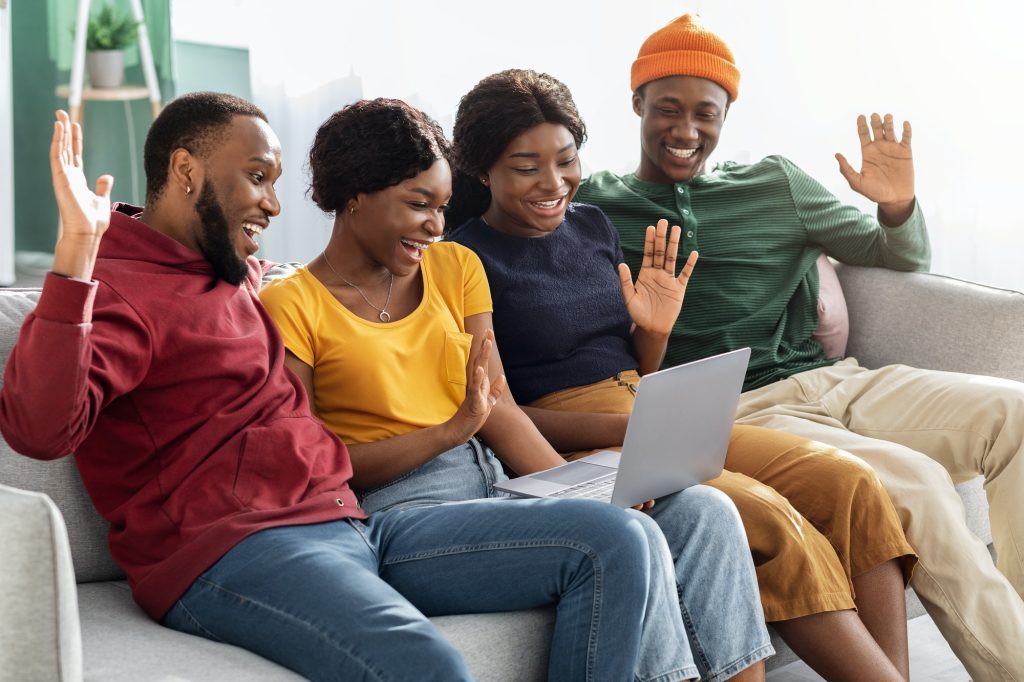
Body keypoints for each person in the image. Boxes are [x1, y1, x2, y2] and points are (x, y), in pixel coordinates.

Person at [0, 93, 693, 682]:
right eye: (257, 177)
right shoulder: (117, 290)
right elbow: (39, 430)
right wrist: (72, 265)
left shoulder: (232, 271)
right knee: (430, 667)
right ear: (186, 171)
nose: (273, 203)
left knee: (617, 541)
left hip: (354, 524)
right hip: (234, 551)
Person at [258, 97, 772, 682]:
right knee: (620, 538)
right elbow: (313, 469)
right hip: (396, 519)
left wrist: (582, 488)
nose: (434, 224)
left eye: (443, 206)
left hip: (499, 491)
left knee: (705, 511)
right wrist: (448, 432)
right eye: (418, 205)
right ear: (354, 195)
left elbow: (496, 404)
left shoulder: (453, 268)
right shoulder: (290, 305)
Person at [575, 14, 1024, 681]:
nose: (686, 129)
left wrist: (897, 207)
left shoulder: (777, 184)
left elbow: (896, 255)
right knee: (920, 487)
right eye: (666, 107)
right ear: (636, 103)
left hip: (838, 379)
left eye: (706, 112)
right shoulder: (593, 206)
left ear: (728, 115)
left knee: (1015, 413)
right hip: (745, 409)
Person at [446, 68, 919, 681]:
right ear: (483, 170)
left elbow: (634, 368)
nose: (554, 183)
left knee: (849, 482)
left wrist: (655, 331)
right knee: (765, 517)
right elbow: (497, 410)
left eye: (566, 160)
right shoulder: (464, 258)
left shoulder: (591, 225)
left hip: (647, 412)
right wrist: (625, 429)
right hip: (576, 439)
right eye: (525, 166)